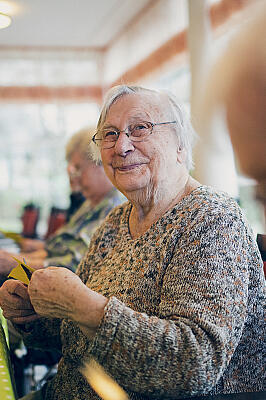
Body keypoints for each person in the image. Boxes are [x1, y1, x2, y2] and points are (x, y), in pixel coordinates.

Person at [0, 85, 264, 400]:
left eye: (140, 128)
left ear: (180, 145)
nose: (122, 146)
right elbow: (76, 334)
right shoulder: (113, 223)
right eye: (109, 134)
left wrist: (82, 305)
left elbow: (194, 365)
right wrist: (35, 315)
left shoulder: (212, 218)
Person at [0, 128, 123, 275]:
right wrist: (21, 257)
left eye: (78, 168)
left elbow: (75, 265)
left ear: (100, 163)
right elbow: (62, 250)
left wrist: (16, 263)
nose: (74, 179)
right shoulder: (90, 204)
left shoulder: (114, 208)